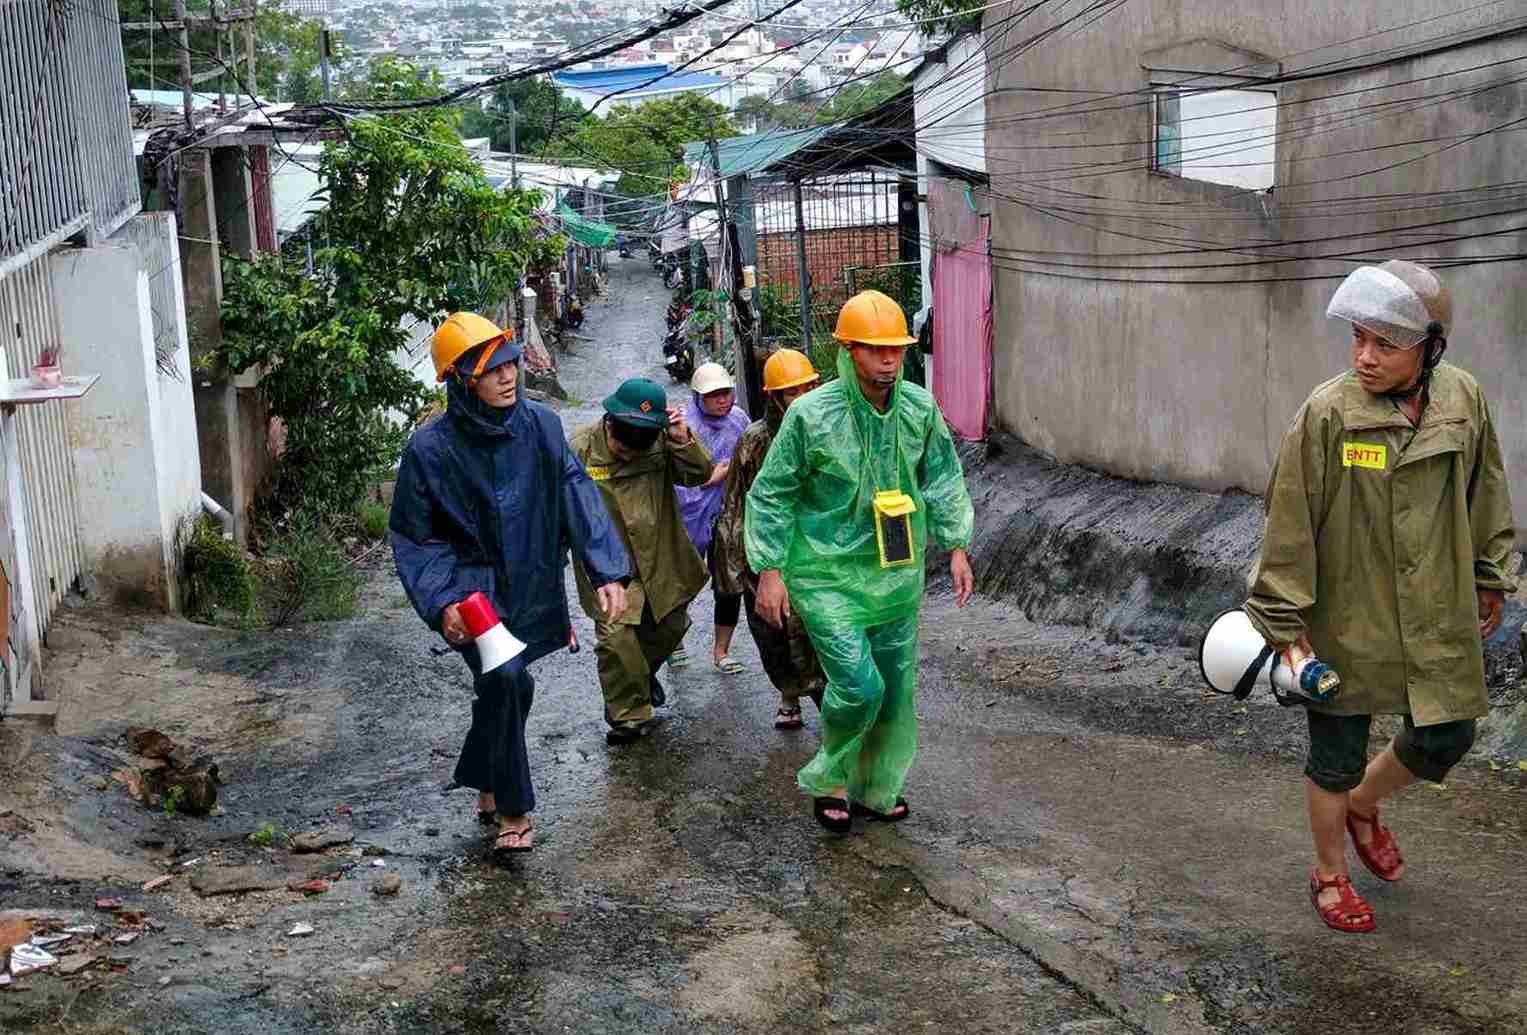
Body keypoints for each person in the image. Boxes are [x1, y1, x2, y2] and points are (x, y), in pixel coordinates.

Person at [1244, 261, 1516, 933]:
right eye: (1357, 339)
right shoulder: (1327, 413)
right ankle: (1329, 872)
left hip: (1434, 605)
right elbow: (1288, 518)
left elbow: (1486, 487)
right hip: (1346, 611)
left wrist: (1489, 572)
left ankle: (1364, 803)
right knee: (1333, 753)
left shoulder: (1461, 399)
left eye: (1383, 344)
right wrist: (1284, 621)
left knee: (1447, 729)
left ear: (1429, 347)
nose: (1364, 357)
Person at [390, 312, 629, 856]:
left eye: (511, 364)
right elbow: (416, 536)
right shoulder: (430, 450)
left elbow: (574, 491)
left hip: (531, 579)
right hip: (473, 596)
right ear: (460, 379)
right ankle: (514, 811)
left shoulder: (541, 425)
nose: (507, 377)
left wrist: (607, 567)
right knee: (509, 679)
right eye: (491, 369)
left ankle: (486, 774)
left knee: (503, 686)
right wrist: (442, 599)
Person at [744, 291, 975, 833]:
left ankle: (876, 787)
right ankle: (830, 778)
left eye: (895, 349)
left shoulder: (918, 408)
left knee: (894, 689)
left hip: (895, 573)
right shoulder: (809, 416)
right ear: (848, 351)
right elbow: (771, 493)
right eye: (874, 350)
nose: (888, 360)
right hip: (825, 576)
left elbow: (942, 475)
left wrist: (956, 544)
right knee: (858, 684)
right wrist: (771, 570)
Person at [571, 377, 715, 744]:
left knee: (669, 627)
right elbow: (561, 506)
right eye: (621, 444)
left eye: (639, 447)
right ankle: (629, 716)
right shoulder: (580, 449)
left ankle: (637, 677)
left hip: (661, 556)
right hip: (608, 568)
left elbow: (700, 474)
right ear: (609, 421)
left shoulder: (665, 441)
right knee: (616, 635)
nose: (628, 453)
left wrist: (683, 439)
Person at [713, 348, 826, 729]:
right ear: (774, 397)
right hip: (767, 559)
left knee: (823, 639)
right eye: (793, 392)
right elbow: (735, 507)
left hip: (820, 557)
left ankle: (839, 720)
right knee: (774, 640)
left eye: (809, 388)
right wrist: (734, 572)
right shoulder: (754, 442)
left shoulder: (831, 432)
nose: (803, 398)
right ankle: (788, 693)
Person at [672, 362, 752, 676]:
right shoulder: (683, 426)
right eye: (713, 395)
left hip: (729, 514)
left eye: (725, 393)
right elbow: (675, 480)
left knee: (729, 584)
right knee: (683, 583)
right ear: (697, 397)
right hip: (690, 517)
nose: (722, 400)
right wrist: (712, 478)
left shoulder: (739, 419)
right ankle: (673, 641)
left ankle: (721, 651)